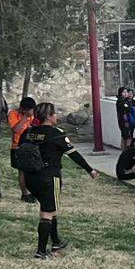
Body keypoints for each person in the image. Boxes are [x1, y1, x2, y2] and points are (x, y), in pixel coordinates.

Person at [21, 102, 99, 258]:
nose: (56, 116)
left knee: (49, 207)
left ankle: (56, 241)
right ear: (49, 117)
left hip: (31, 177)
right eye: (54, 114)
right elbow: (73, 154)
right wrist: (90, 169)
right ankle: (41, 252)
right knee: (47, 213)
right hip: (49, 176)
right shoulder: (56, 134)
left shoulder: (28, 132)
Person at [8, 96, 39, 202]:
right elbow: (16, 130)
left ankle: (33, 191)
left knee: (34, 170)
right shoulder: (13, 114)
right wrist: (25, 117)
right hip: (18, 146)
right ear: (23, 109)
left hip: (31, 145)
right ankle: (25, 193)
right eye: (29, 110)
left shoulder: (33, 115)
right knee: (22, 171)